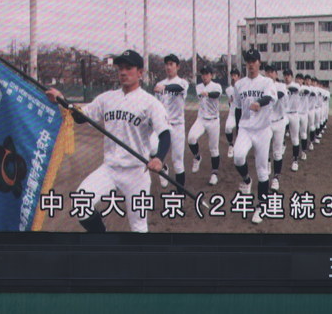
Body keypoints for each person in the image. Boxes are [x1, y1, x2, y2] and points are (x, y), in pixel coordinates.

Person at [44, 49, 170, 233]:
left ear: (140, 72)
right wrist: (62, 100)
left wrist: (158, 158)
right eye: (120, 68)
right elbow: (81, 117)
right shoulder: (107, 98)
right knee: (81, 204)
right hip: (110, 168)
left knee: (139, 227)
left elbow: (165, 134)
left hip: (136, 172)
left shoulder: (150, 103)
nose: (123, 72)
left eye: (129, 68)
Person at [232, 49, 276, 224]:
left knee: (263, 171)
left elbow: (268, 98)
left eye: (253, 60)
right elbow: (237, 108)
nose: (250, 64)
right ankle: (246, 180)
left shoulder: (266, 82)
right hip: (245, 128)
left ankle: (261, 207)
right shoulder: (239, 84)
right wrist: (236, 131)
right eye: (248, 61)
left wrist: (259, 103)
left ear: (259, 62)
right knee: (238, 156)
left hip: (263, 130)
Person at [151, 53, 189, 192]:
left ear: (177, 67)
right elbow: (156, 105)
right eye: (166, 64)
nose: (168, 67)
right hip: (162, 126)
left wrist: (165, 88)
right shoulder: (159, 84)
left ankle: (180, 195)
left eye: (171, 64)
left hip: (177, 126)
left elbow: (178, 89)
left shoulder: (182, 82)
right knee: (152, 149)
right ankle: (164, 168)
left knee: (178, 162)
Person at [187, 65, 223, 185]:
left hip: (213, 121)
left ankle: (214, 174)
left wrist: (207, 94)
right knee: (191, 138)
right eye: (203, 74)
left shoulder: (216, 86)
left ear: (211, 75)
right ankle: (197, 157)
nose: (204, 76)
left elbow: (216, 95)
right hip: (201, 119)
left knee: (214, 149)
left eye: (207, 74)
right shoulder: (198, 87)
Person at [264, 64, 289, 191]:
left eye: (272, 72)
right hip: (267, 123)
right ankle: (268, 164)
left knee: (277, 152)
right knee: (265, 149)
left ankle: (276, 178)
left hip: (279, 122)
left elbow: (277, 95)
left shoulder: (281, 86)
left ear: (276, 74)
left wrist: (263, 99)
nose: (269, 74)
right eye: (267, 72)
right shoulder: (262, 86)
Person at [285, 71, 304, 172]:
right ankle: (283, 143)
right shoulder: (282, 86)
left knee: (295, 138)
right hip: (285, 114)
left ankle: (295, 160)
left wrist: (284, 88)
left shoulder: (296, 85)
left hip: (294, 114)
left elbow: (294, 89)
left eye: (288, 75)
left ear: (292, 77)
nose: (286, 77)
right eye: (285, 75)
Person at [223, 67, 241, 158]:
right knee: (228, 128)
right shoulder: (228, 90)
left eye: (235, 75)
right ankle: (231, 145)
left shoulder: (242, 87)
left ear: (238, 77)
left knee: (241, 133)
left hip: (241, 114)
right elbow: (229, 102)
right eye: (232, 75)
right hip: (232, 113)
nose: (233, 77)